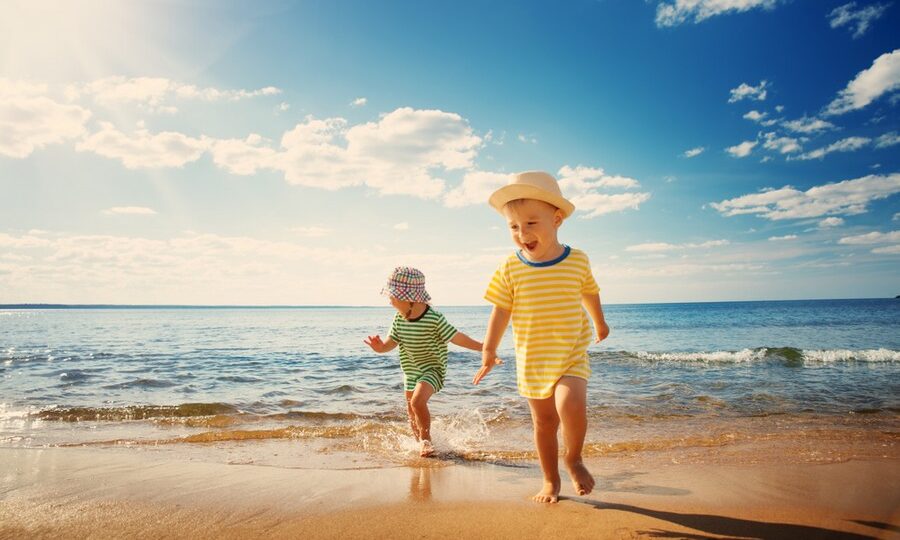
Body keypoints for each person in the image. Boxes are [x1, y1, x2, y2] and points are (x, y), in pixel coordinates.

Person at [473, 171, 610, 503]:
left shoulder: (577, 259)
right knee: (544, 423)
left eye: (531, 223)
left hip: (570, 353)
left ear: (557, 219)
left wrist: (600, 323)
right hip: (533, 359)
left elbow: (589, 293)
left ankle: (573, 457)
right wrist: (489, 348)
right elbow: (501, 311)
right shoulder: (510, 267)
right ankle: (550, 481)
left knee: (571, 404)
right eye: (514, 227)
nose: (522, 234)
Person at [365, 266, 483, 457]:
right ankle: (419, 443)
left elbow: (456, 337)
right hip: (411, 371)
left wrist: (483, 347)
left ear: (408, 297)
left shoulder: (434, 318)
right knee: (411, 410)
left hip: (432, 369)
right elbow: (390, 343)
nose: (390, 300)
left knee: (418, 402)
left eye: (393, 296)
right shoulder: (399, 319)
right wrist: (379, 348)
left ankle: (426, 441)